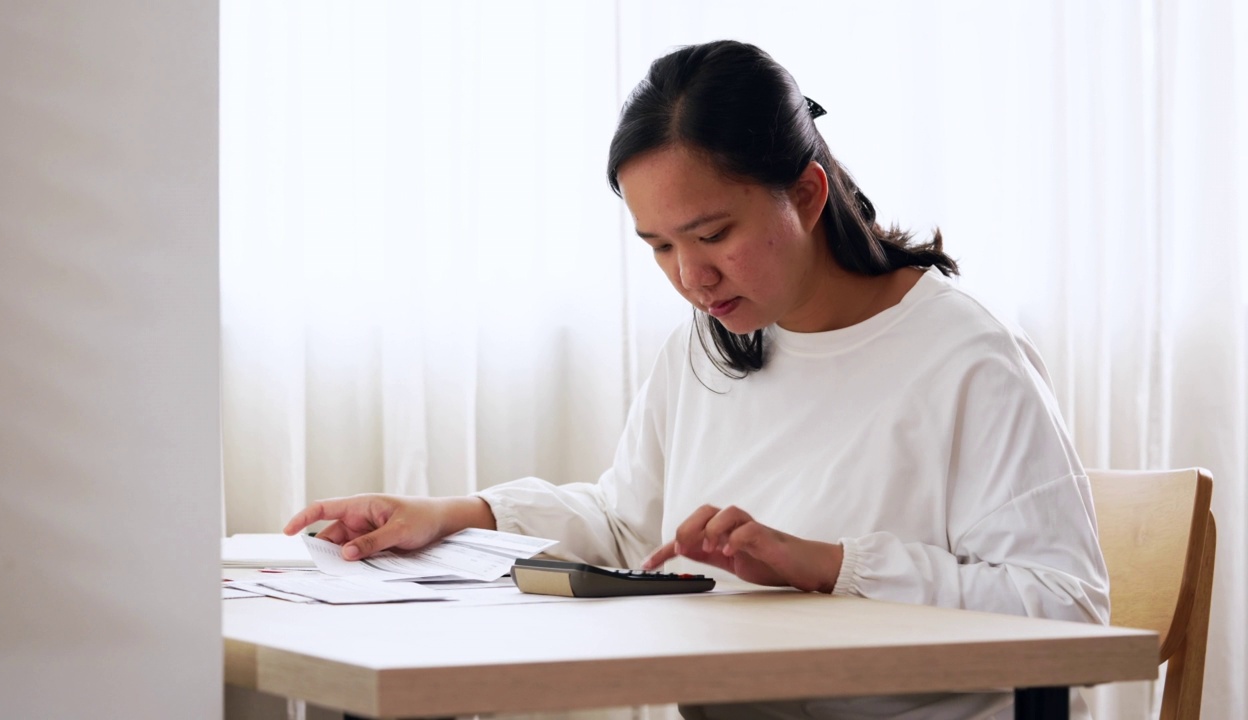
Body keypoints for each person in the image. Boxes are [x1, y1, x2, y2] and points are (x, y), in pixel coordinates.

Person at [284, 40, 1109, 720]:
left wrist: (827, 564)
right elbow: (624, 528)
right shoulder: (710, 344)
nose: (691, 277)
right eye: (659, 246)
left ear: (808, 194)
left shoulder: (966, 356)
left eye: (713, 234)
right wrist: (452, 516)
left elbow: (1070, 609)